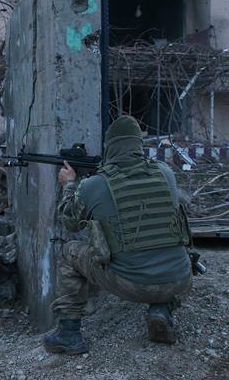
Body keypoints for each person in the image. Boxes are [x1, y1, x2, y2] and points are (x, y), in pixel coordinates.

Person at [43, 115, 194, 355]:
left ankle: (68, 333)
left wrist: (70, 184)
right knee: (160, 246)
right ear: (138, 146)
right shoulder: (165, 173)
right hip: (180, 280)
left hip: (131, 283)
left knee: (69, 252)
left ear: (110, 147)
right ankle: (161, 310)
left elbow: (70, 222)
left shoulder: (94, 184)